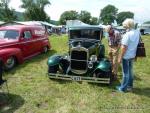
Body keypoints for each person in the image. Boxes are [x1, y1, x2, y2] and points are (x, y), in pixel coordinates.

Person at [117, 18, 140, 92]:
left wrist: (120, 57)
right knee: (130, 71)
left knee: (125, 73)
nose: (123, 26)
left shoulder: (127, 34)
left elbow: (124, 47)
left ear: (127, 25)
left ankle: (123, 88)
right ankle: (130, 86)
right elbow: (137, 44)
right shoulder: (137, 32)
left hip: (126, 56)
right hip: (132, 55)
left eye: (124, 25)